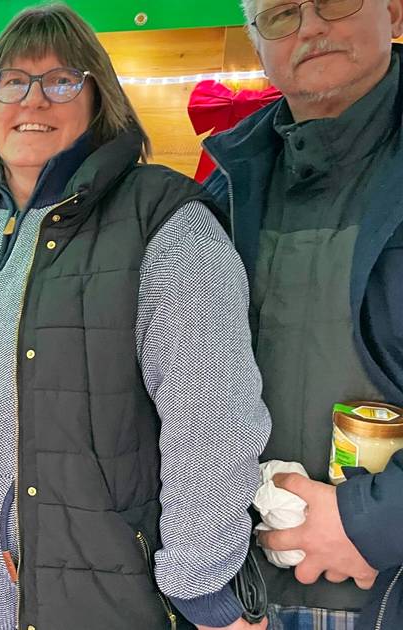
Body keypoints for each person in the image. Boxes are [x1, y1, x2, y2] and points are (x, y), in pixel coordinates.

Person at [0, 5, 274, 629]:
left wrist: (201, 587)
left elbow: (212, 419)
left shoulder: (163, 223)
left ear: (99, 99)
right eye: (13, 81)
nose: (34, 100)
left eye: (61, 81)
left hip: (87, 597)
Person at [203, 0, 403, 628]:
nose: (311, 26)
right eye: (281, 14)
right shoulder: (224, 189)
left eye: (335, 0)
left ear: (393, 12)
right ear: (257, 43)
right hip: (248, 592)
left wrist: (375, 522)